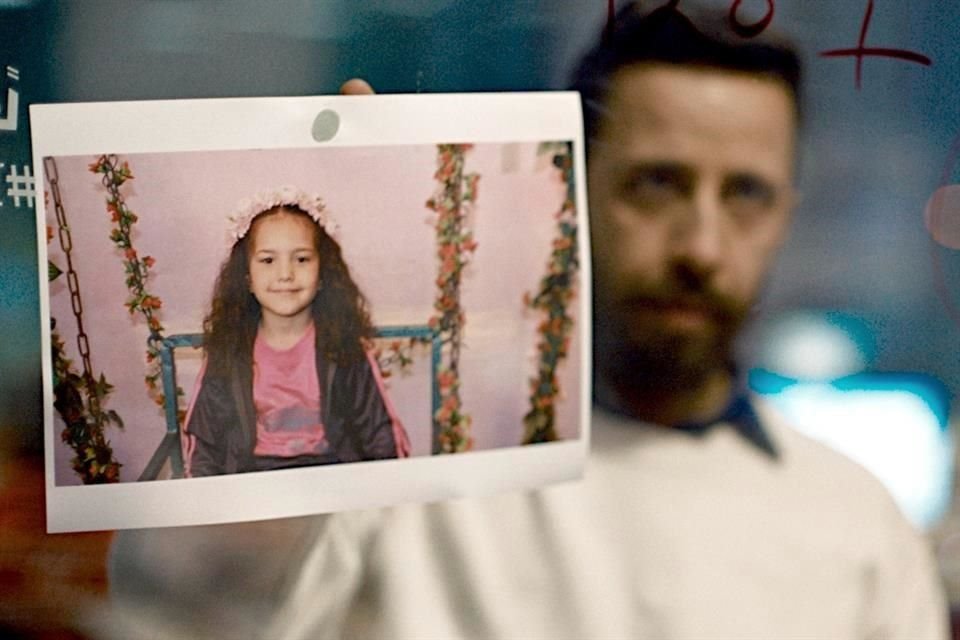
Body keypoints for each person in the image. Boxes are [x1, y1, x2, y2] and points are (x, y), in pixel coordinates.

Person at [103, 4, 948, 639]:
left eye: (746, 194)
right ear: (565, 189)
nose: (700, 245)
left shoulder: (859, 525)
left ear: (786, 215)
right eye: (657, 183)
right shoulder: (417, 467)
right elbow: (179, 603)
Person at [183, 185, 408, 476]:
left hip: (333, 477)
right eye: (268, 260)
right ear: (247, 277)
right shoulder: (228, 351)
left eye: (301, 259)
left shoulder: (346, 347)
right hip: (254, 481)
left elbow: (381, 435)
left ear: (323, 273)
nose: (285, 274)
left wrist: (384, 490)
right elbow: (205, 445)